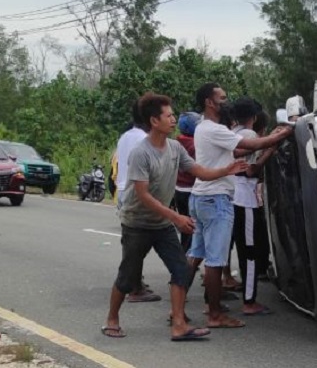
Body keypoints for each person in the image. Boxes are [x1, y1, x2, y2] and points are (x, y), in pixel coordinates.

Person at [101, 92, 247, 341]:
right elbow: (143, 195)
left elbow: (198, 170)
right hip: (137, 224)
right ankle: (112, 319)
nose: (173, 119)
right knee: (127, 277)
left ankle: (179, 324)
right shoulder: (141, 153)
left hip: (162, 224)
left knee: (180, 269)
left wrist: (226, 169)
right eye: (168, 116)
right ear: (154, 121)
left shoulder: (175, 148)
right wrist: (177, 218)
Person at [187, 83, 292, 329]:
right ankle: (215, 314)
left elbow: (234, 154)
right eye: (222, 98)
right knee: (217, 259)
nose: (227, 102)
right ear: (209, 103)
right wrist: (280, 136)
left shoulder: (205, 128)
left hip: (202, 197)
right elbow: (252, 150)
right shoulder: (218, 129)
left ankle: (179, 305)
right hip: (219, 199)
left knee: (195, 255)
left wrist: (271, 139)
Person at [231, 99, 277, 316]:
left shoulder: (232, 131)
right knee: (248, 251)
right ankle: (249, 301)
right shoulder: (248, 136)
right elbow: (252, 169)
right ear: (255, 117)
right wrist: (271, 147)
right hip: (245, 197)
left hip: (231, 195)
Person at [115, 102, 159, 302]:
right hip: (136, 192)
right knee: (138, 241)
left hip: (123, 190)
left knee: (132, 241)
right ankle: (133, 286)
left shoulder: (126, 136)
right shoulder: (144, 139)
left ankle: (134, 281)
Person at [174, 112, 200, 253]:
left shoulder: (177, 141)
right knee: (193, 227)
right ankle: (186, 258)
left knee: (184, 226)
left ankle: (183, 253)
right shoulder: (194, 144)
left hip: (178, 189)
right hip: (191, 189)